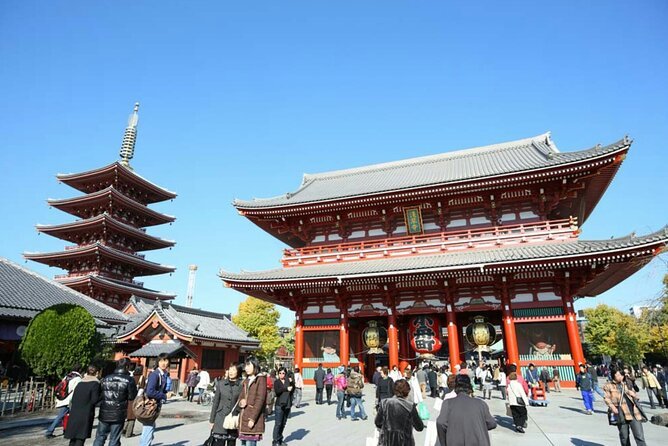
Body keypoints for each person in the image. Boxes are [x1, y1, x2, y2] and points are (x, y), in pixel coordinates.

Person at [436, 374, 496, 445]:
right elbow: (492, 423)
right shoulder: (481, 403)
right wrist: (476, 427)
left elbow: (440, 422)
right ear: (470, 388)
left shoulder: (448, 403)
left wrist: (444, 442)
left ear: (456, 388)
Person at [93, 357, 138, 446]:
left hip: (105, 411)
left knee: (100, 437)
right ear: (127, 366)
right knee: (114, 438)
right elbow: (132, 396)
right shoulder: (129, 380)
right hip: (118, 412)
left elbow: (100, 394)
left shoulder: (106, 378)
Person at [603, 367, 647, 446]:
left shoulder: (626, 383)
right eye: (617, 375)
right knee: (624, 437)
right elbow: (606, 398)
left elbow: (635, 396)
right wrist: (612, 407)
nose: (620, 377)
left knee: (639, 436)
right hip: (621, 414)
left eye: (621, 375)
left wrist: (634, 394)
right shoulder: (608, 385)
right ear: (613, 375)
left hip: (633, 412)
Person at [374, 379, 424, 446]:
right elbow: (419, 427)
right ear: (407, 391)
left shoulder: (385, 403)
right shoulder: (410, 406)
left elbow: (378, 422)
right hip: (404, 442)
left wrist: (387, 429)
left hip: (387, 441)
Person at [64, 365, 101, 446]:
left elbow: (74, 398)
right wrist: (102, 395)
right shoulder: (95, 384)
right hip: (85, 413)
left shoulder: (80, 383)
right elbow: (94, 400)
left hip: (75, 413)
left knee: (73, 439)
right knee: (80, 439)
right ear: (97, 373)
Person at [140, 353, 171, 446]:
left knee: (150, 428)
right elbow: (150, 391)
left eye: (165, 361)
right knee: (148, 429)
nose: (163, 363)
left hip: (154, 406)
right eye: (161, 361)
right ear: (158, 362)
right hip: (150, 406)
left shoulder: (162, 374)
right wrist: (165, 396)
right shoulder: (155, 374)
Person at [210, 363, 243, 446]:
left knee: (231, 443)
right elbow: (215, 403)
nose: (231, 372)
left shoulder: (241, 385)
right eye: (230, 369)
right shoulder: (221, 384)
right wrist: (212, 420)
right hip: (220, 418)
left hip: (233, 419)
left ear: (238, 372)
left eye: (234, 370)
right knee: (218, 443)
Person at [237, 357, 267, 446]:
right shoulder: (246, 380)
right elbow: (241, 396)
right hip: (244, 416)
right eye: (245, 366)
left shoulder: (260, 379)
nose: (246, 368)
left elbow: (260, 399)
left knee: (250, 443)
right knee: (243, 443)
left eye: (249, 365)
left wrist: (253, 418)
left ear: (255, 365)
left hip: (252, 417)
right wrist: (241, 402)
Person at [46, 365, 83, 438]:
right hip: (69, 400)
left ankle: (65, 430)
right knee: (61, 416)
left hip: (63, 399)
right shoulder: (78, 378)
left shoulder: (67, 376)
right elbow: (76, 391)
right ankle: (49, 431)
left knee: (64, 416)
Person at [271, 367, 294, 446]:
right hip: (279, 405)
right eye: (280, 373)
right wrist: (286, 388)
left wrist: (292, 383)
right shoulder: (277, 382)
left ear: (285, 374)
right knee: (278, 423)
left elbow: (292, 391)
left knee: (283, 423)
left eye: (283, 373)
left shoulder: (288, 381)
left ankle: (280, 439)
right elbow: (277, 391)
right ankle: (275, 441)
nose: (281, 374)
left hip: (287, 404)